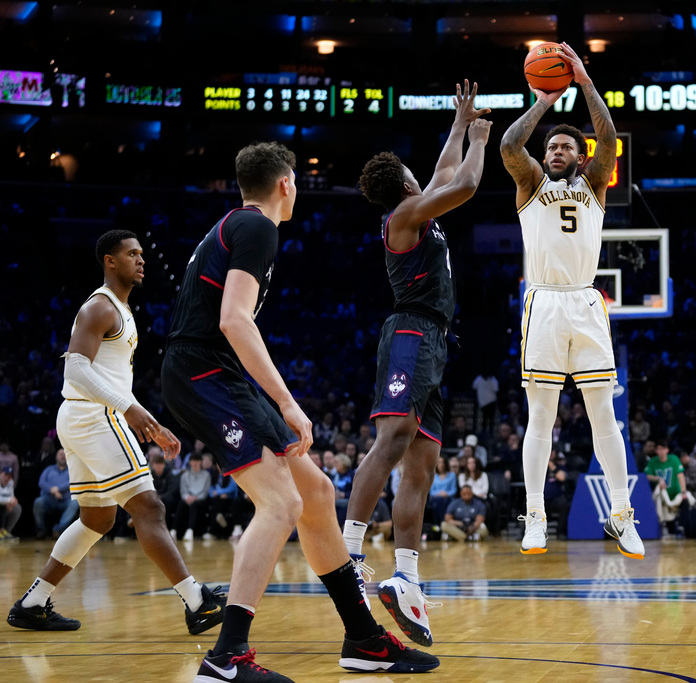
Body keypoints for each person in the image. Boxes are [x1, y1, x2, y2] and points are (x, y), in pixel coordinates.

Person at [161, 142, 437, 681]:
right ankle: (227, 657)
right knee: (281, 502)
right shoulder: (256, 227)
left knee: (316, 494)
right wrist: (286, 402)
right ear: (285, 183)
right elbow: (234, 320)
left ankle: (364, 640)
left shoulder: (238, 225)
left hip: (212, 372)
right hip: (202, 374)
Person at [8, 230, 225, 637]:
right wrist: (129, 410)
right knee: (150, 508)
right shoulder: (100, 307)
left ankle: (33, 603)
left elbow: (108, 377)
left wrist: (148, 420)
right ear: (110, 261)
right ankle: (197, 602)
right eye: (131, 254)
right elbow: (75, 369)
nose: (141, 260)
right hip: (95, 416)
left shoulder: (120, 309)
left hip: (81, 417)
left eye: (142, 254)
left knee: (97, 518)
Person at [343, 81, 491, 648]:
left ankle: (406, 577)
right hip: (410, 331)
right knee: (392, 442)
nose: (420, 177)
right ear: (404, 184)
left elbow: (445, 174)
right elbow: (466, 183)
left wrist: (458, 125)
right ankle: (349, 555)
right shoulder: (406, 213)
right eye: (413, 174)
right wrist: (480, 139)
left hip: (434, 340)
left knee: (423, 463)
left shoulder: (416, 206)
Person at [500, 42, 643, 558]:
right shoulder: (531, 183)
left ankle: (622, 514)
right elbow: (509, 146)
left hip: (585, 302)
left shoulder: (595, 184)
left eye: (566, 148)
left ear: (580, 158)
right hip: (543, 301)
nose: (556, 152)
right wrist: (543, 100)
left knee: (604, 414)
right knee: (541, 416)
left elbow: (608, 137)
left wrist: (583, 81)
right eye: (552, 147)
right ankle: (535, 515)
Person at [30, 448, 78, 540]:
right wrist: (51, 490)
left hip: (65, 500)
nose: (62, 456)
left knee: (75, 503)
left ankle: (58, 530)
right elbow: (41, 482)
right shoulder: (49, 469)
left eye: (64, 454)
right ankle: (41, 530)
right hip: (49, 499)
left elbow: (72, 481)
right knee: (38, 502)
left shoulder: (72, 470)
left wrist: (58, 489)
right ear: (56, 457)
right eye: (60, 454)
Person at [0, 466, 20, 540]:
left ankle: (5, 531)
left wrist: (11, 503)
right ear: (0, 474)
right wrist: (8, 501)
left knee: (17, 508)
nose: (7, 478)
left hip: (3, 504)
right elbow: (9, 499)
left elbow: (12, 496)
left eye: (9, 476)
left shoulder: (10, 482)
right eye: (5, 475)